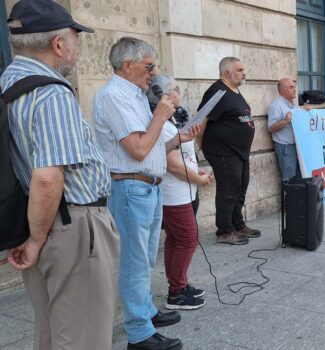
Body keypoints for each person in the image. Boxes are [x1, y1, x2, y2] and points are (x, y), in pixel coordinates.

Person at [0, 1, 118, 349]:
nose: (77, 51)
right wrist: (36, 240)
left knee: (54, 331)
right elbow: (48, 177)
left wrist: (32, 235)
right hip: (71, 224)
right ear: (58, 44)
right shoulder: (51, 93)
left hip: (37, 219)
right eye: (75, 40)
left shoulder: (8, 82)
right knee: (84, 337)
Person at [94, 37, 200, 350]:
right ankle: (139, 333)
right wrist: (160, 116)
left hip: (147, 186)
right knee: (134, 261)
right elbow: (137, 149)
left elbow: (151, 145)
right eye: (148, 66)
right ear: (127, 65)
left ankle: (147, 312)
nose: (153, 73)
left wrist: (176, 140)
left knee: (144, 258)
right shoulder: (114, 96)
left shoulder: (137, 95)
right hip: (130, 187)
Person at [145, 75, 211, 311]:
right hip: (174, 193)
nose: (178, 92)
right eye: (173, 89)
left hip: (182, 190)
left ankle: (178, 285)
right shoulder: (160, 123)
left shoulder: (171, 120)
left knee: (176, 239)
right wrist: (198, 179)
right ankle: (177, 293)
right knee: (188, 238)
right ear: (161, 95)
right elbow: (171, 163)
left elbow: (183, 155)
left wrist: (197, 170)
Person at [197, 57, 260, 245]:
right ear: (227, 73)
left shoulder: (234, 90)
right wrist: (202, 146)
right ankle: (224, 231)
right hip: (223, 151)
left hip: (239, 151)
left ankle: (238, 224)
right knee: (228, 190)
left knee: (240, 188)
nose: (244, 73)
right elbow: (201, 120)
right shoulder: (217, 91)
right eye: (239, 70)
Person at [268, 78, 311, 181]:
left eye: (294, 87)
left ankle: (298, 197)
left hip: (297, 145)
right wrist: (285, 121)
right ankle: (290, 197)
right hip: (285, 146)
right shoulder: (276, 105)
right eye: (291, 87)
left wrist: (306, 112)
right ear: (282, 90)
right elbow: (271, 128)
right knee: (290, 178)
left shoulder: (293, 104)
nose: (295, 90)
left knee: (300, 177)